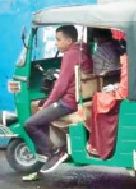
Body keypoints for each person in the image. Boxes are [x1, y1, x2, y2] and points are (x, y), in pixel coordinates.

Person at [23, 24, 91, 179]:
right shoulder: (82, 51)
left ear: (69, 40)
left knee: (30, 124)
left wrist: (46, 105)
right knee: (42, 113)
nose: (56, 43)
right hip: (77, 98)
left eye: (58, 40)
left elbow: (61, 86)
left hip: (67, 103)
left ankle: (55, 152)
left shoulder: (70, 55)